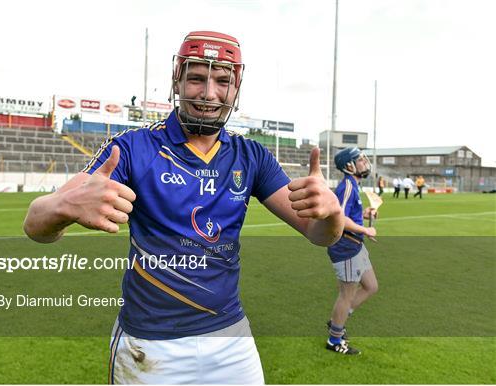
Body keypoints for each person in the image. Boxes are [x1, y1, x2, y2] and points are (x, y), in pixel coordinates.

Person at [23, 31, 344, 384]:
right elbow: (34, 225)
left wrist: (332, 214)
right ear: (176, 80)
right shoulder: (132, 148)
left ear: (237, 89)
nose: (209, 93)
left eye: (223, 81)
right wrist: (65, 206)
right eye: (196, 78)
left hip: (231, 338)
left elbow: (320, 235)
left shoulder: (252, 156)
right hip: (149, 347)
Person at [325, 147, 379, 355]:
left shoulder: (353, 185)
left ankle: (336, 321)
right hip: (345, 247)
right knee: (346, 295)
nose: (365, 162)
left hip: (356, 244)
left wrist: (364, 215)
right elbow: (339, 218)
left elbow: (350, 215)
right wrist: (365, 228)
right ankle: (334, 339)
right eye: (360, 160)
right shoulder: (347, 186)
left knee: (371, 286)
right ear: (349, 166)